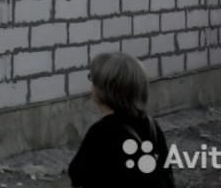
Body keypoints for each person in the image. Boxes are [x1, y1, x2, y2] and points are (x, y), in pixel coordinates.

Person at [67, 52, 175, 187]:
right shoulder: (151, 124)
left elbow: (77, 175)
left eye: (93, 80)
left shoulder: (102, 132)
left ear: (103, 89)